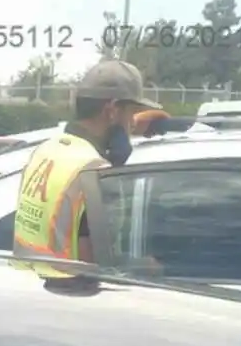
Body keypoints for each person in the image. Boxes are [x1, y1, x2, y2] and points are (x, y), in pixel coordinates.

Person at [12, 58, 151, 277]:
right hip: (70, 297)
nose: (133, 123)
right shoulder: (94, 170)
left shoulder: (45, 151)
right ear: (112, 111)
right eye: (131, 113)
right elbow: (96, 263)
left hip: (28, 286)